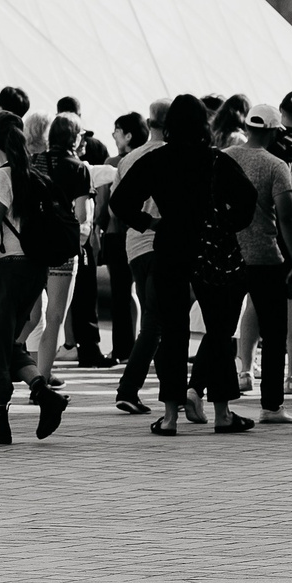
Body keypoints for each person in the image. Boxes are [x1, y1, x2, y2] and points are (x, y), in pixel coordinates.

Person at [110, 95, 255, 435]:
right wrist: (227, 223)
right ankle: (222, 412)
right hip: (211, 250)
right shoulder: (216, 160)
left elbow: (120, 201)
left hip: (170, 246)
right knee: (219, 331)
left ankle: (171, 416)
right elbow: (248, 198)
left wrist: (148, 222)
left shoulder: (158, 159)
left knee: (172, 332)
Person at [0, 110, 67, 443]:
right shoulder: (36, 177)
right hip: (34, 271)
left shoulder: (0, 177)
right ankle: (43, 392)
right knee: (9, 342)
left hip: (6, 270)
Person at [224, 100, 292, 423]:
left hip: (228, 254)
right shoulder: (276, 166)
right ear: (272, 132)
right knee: (273, 333)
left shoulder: (226, 158)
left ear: (247, 128)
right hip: (266, 258)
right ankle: (271, 406)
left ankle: (197, 391)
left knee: (221, 327)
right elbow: (287, 217)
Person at [108, 104, 168, 413]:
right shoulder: (174, 157)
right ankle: (129, 388)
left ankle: (171, 392)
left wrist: (140, 223)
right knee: (159, 322)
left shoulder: (129, 159)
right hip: (164, 245)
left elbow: (115, 209)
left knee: (156, 318)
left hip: (136, 246)